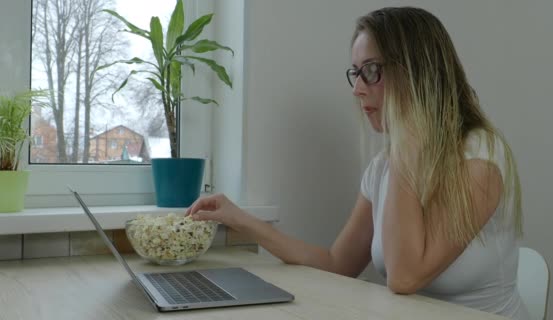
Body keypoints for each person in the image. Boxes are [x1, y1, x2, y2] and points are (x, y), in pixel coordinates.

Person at [186, 6, 529, 320]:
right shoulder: (384, 167)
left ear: (417, 72)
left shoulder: (480, 159)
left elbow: (405, 276)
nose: (357, 89)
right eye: (356, 73)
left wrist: (406, 146)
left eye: (372, 71)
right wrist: (242, 220)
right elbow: (338, 264)